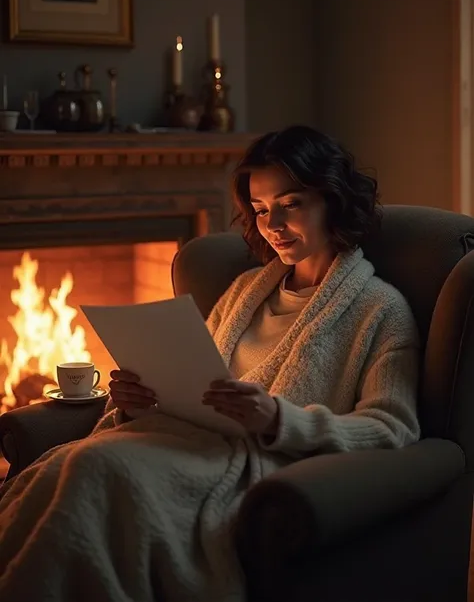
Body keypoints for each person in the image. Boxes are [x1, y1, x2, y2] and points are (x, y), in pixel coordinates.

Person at [0, 126, 420, 602]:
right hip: (180, 440)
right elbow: (198, 383)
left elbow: (394, 426)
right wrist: (140, 403)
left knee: (94, 467)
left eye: (291, 204)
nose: (273, 225)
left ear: (332, 198)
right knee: (62, 467)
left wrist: (280, 420)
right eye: (261, 211)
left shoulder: (380, 310)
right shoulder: (245, 291)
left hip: (245, 465)